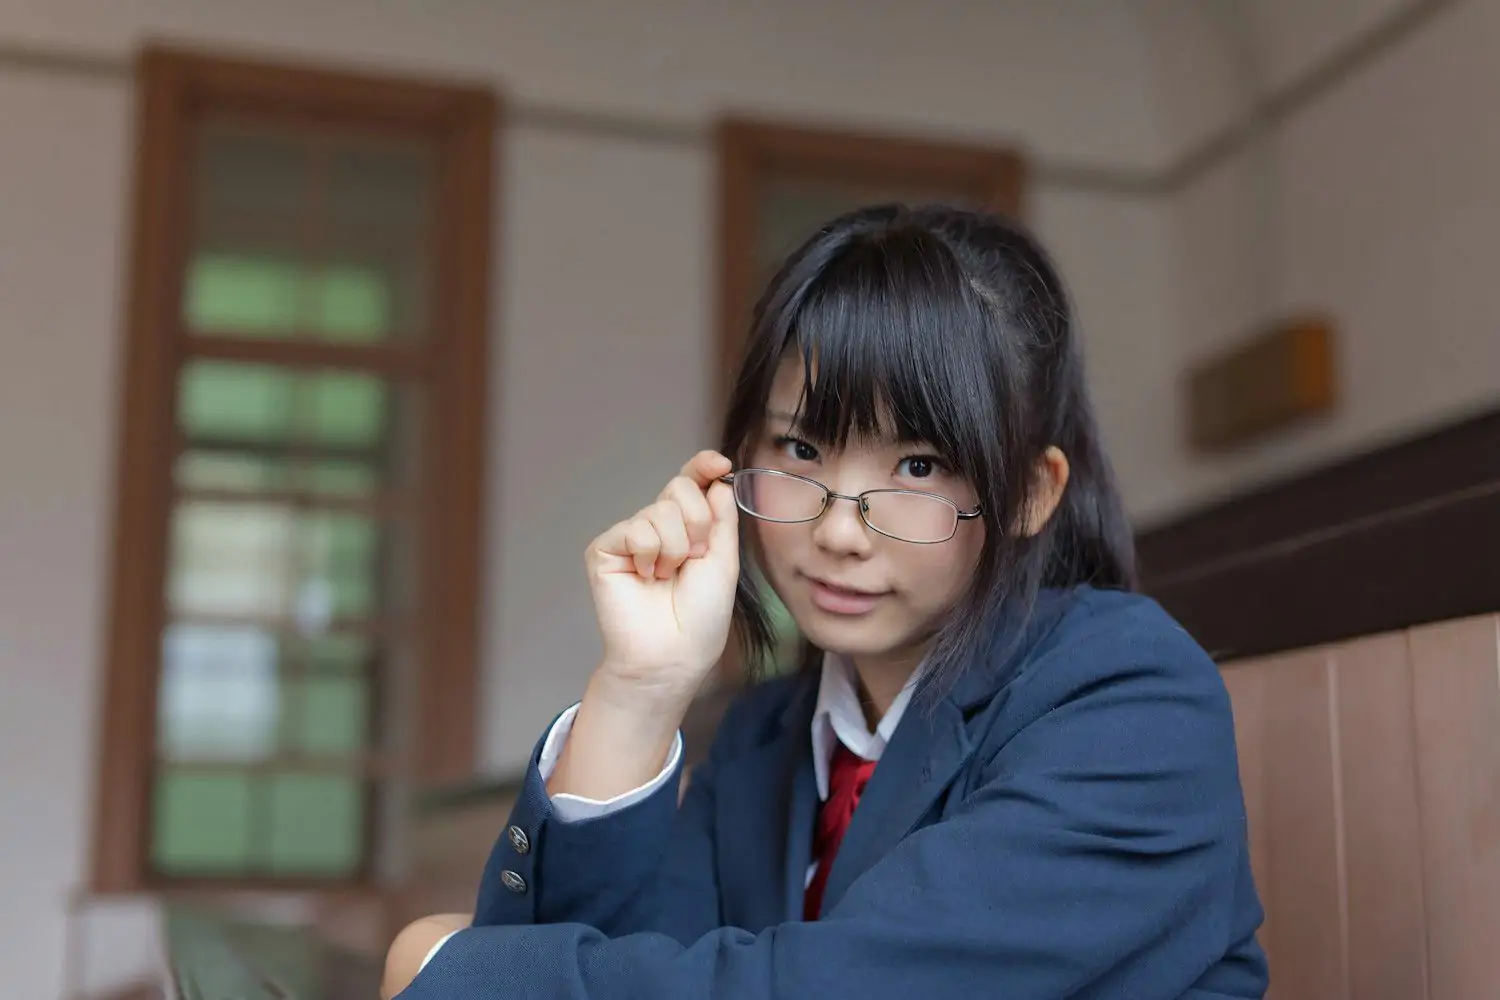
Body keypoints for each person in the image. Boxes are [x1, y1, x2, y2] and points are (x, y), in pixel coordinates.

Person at [383, 204, 1270, 999]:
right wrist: (641, 690)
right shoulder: (766, 740)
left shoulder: (1131, 701)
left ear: (1032, 494)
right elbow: (593, 956)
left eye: (917, 465)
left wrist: (447, 972)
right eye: (802, 450)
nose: (839, 530)